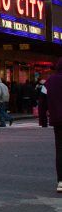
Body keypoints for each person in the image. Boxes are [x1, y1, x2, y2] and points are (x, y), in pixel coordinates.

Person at [44, 59, 62, 193]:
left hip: (57, 120)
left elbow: (42, 100)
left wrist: (43, 120)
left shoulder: (50, 81)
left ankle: (61, 181)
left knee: (60, 150)